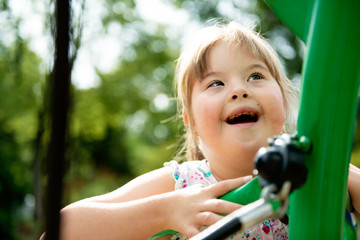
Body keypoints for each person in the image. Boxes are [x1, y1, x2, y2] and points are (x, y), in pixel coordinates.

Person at [43, 21, 360, 240]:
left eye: (255, 77)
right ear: (191, 121)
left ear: (284, 97)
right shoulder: (182, 185)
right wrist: (165, 212)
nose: (239, 90)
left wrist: (341, 177)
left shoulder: (320, 176)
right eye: (216, 83)